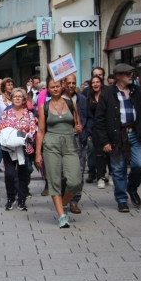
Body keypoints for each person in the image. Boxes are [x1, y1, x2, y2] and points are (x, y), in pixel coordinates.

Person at [93, 63, 141, 213]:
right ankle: (121, 200)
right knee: (118, 169)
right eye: (127, 74)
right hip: (116, 136)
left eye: (131, 73)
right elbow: (99, 120)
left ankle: (132, 188)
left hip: (135, 134)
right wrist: (105, 141)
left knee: (139, 165)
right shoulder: (107, 93)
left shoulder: (137, 91)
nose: (131, 76)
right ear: (118, 77)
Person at [35, 77, 82, 228]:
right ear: (47, 89)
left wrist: (78, 128)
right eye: (52, 87)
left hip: (69, 143)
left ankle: (63, 203)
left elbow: (77, 124)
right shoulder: (44, 107)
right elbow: (41, 131)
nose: (55, 89)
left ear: (62, 87)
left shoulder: (71, 103)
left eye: (57, 86)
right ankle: (62, 215)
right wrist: (38, 153)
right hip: (51, 143)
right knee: (54, 180)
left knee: (75, 181)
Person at [0, 88, 37, 212]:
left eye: (20, 96)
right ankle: (10, 197)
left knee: (23, 175)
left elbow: (32, 129)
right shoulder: (6, 114)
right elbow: (3, 128)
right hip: (9, 149)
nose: (18, 98)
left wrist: (25, 136)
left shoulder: (29, 114)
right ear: (12, 99)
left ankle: (21, 199)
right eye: (15, 96)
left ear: (24, 99)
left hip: (25, 148)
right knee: (9, 174)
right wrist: (16, 135)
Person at [62, 74, 93, 214]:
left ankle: (75, 200)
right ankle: (64, 198)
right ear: (64, 83)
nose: (72, 85)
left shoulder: (82, 99)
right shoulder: (58, 101)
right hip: (63, 140)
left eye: (74, 82)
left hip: (79, 140)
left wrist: (86, 132)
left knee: (79, 171)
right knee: (64, 172)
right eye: (69, 82)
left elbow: (90, 118)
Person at [87, 76, 109, 188]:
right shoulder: (89, 98)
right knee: (98, 153)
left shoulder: (106, 95)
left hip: (107, 127)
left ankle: (112, 174)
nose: (95, 84)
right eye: (93, 82)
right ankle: (100, 177)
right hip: (95, 128)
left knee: (110, 152)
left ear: (101, 83)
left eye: (97, 82)